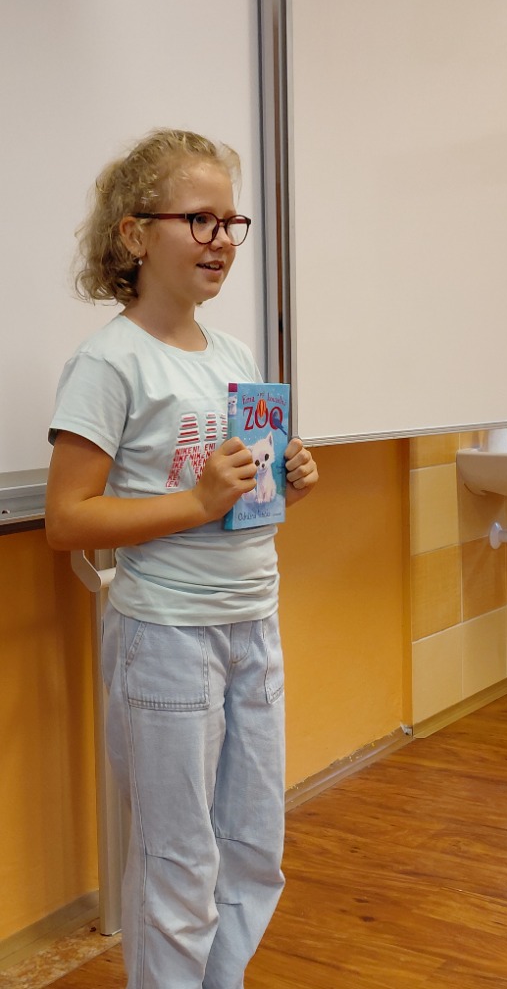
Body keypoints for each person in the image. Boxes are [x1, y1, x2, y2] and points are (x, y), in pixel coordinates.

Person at [45, 128, 318, 989]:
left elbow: (233, 498)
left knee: (252, 848)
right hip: (166, 637)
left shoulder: (234, 357)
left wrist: (282, 481)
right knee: (178, 860)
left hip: (252, 622)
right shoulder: (108, 363)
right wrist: (199, 502)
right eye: (198, 220)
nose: (221, 241)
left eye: (230, 223)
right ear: (135, 235)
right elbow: (67, 520)